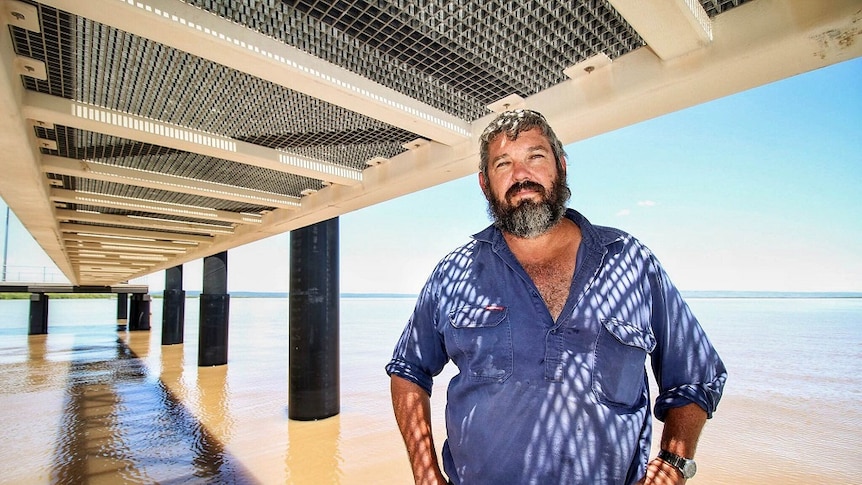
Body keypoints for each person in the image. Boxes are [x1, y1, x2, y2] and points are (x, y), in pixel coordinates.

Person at [385, 109, 727, 485]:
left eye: (536, 157)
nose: (521, 175)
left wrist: (673, 466)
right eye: (504, 164)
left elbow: (695, 374)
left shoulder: (630, 261)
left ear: (561, 167)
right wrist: (425, 473)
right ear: (485, 184)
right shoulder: (455, 273)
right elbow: (408, 371)